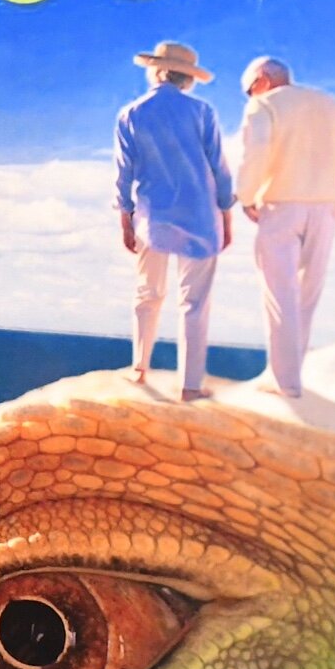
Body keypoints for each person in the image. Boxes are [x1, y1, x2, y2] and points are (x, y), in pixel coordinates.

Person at [113, 41, 234, 402]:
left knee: (147, 295)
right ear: (188, 77)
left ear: (156, 70)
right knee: (195, 303)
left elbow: (124, 173)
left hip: (153, 216)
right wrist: (227, 217)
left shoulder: (131, 113)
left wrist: (125, 217)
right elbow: (220, 169)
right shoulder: (203, 112)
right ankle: (191, 386)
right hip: (201, 217)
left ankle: (139, 369)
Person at [236, 56, 335, 398]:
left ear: (261, 80)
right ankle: (292, 376)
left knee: (280, 297)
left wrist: (246, 196)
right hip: (325, 209)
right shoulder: (331, 105)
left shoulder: (263, 105)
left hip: (281, 206)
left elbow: (256, 152)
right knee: (307, 297)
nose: (249, 97)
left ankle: (285, 383)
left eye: (248, 90)